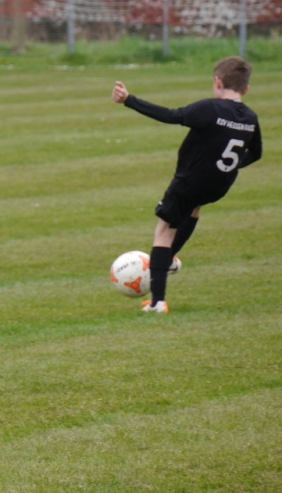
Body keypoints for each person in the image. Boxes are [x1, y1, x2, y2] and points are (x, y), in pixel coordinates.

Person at [111, 56, 262, 314]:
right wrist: (228, 167)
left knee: (163, 231)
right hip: (218, 185)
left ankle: (158, 302)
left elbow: (170, 116)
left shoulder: (210, 108)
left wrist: (129, 100)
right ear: (246, 89)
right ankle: (168, 260)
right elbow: (256, 153)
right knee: (193, 208)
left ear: (217, 82)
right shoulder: (250, 117)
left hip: (189, 182)